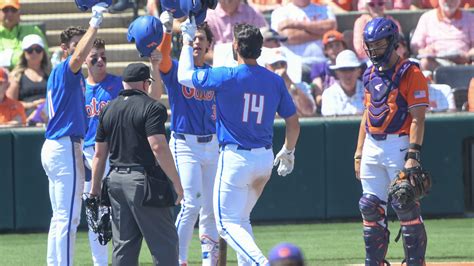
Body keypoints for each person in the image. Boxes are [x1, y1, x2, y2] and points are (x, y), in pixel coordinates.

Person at [178, 21, 300, 265]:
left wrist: (185, 42)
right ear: (260, 48)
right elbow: (293, 122)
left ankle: (263, 263)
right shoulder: (274, 80)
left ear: (236, 46)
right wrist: (288, 150)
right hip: (264, 159)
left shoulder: (226, 75)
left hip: (235, 158)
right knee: (241, 220)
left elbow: (183, 76)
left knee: (226, 224)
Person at [89, 62, 184, 266]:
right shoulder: (152, 106)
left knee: (123, 246)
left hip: (114, 181)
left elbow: (99, 154)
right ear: (145, 83)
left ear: (124, 83)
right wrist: (176, 182)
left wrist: (94, 190)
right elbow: (157, 146)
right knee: (164, 243)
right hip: (143, 182)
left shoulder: (108, 109)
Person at [354, 17, 429, 265]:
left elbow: (418, 118)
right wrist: (358, 152)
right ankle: (373, 262)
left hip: (399, 142)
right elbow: (367, 115)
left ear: (393, 41)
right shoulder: (368, 74)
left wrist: (412, 155)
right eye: (370, 45)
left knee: (404, 201)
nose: (374, 49)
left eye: (379, 44)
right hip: (372, 146)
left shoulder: (411, 72)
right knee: (369, 206)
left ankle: (414, 261)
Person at [40, 4, 108, 265]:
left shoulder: (64, 73)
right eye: (77, 44)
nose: (83, 48)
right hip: (64, 144)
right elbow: (79, 57)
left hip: (58, 145)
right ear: (65, 49)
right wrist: (96, 21)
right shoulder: (68, 70)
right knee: (69, 219)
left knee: (59, 217)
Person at [158, 12, 220, 266]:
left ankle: (209, 260)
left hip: (212, 143)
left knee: (211, 210)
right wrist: (167, 31)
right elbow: (161, 59)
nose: (196, 42)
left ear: (208, 45)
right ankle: (178, 259)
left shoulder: (213, 74)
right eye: (193, 37)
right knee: (191, 204)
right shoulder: (175, 70)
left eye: (201, 38)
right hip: (185, 145)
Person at [82, 38, 123, 266]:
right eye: (94, 57)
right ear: (85, 60)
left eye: (103, 56)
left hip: (114, 153)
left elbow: (153, 96)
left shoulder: (117, 84)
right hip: (88, 155)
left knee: (116, 213)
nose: (100, 61)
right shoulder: (79, 88)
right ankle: (99, 263)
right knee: (94, 215)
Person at [271, 0, 337, 82]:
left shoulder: (325, 9)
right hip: (296, 68)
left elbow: (332, 27)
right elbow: (288, 37)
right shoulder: (280, 12)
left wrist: (296, 24)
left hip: (323, 64)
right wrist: (320, 33)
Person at [410, 0, 474, 72]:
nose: (450, 2)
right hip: (436, 63)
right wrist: (425, 51)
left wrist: (467, 56)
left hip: (464, 64)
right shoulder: (426, 18)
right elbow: (415, 46)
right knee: (425, 63)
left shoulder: (470, 18)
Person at [205, 0, 267, 66]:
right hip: (219, 65)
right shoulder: (209, 17)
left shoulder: (253, 13)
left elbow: (263, 41)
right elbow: (204, 51)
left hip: (249, 63)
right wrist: (224, 59)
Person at [261, 47, 316, 117]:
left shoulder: (302, 87)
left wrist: (289, 83)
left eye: (282, 64)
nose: (279, 67)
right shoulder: (258, 88)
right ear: (266, 67)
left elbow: (309, 111)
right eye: (275, 64)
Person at [7, 34, 49, 119]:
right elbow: (9, 103)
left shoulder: (50, 74)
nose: (34, 53)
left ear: (43, 52)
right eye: (30, 50)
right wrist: (32, 104)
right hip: (25, 117)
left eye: (38, 49)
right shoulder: (17, 76)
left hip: (48, 115)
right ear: (24, 53)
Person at [0, 0, 49, 70]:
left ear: (19, 13)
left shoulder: (33, 31)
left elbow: (44, 55)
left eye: (13, 10)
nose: (10, 13)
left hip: (29, 74)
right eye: (5, 10)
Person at [321, 49, 364, 116]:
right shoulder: (328, 94)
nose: (348, 74)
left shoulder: (369, 91)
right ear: (337, 73)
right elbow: (331, 120)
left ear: (359, 71)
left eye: (351, 69)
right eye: (343, 70)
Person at [310, 30, 347, 108]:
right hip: (328, 106)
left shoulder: (353, 66)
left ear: (344, 47)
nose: (334, 49)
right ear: (325, 50)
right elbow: (319, 97)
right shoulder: (318, 67)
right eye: (330, 46)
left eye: (337, 45)